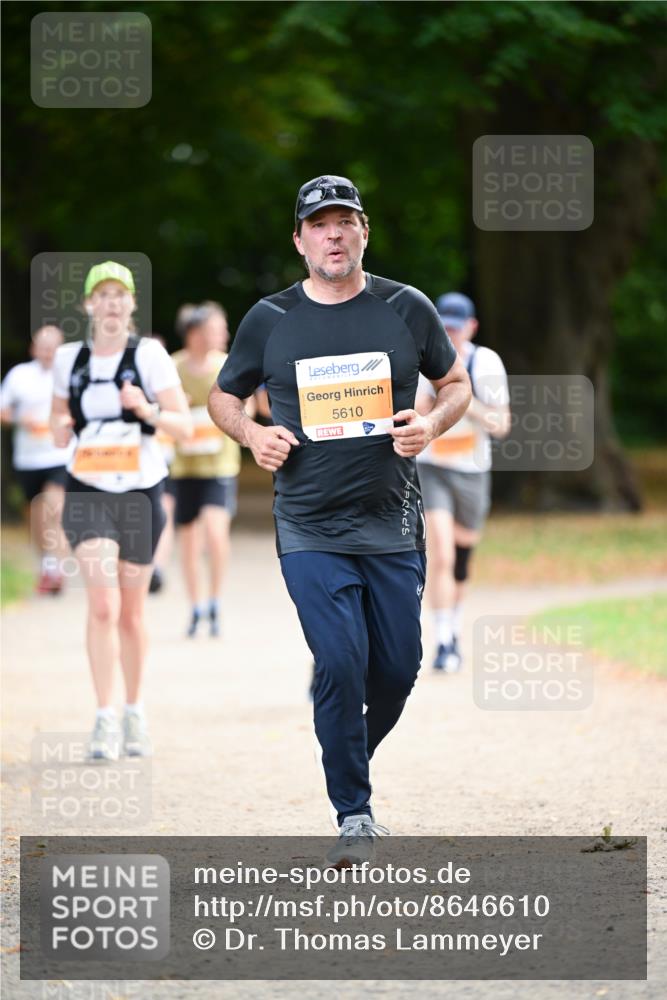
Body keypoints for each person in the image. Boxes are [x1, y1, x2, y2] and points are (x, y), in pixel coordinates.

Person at [208, 175, 470, 861]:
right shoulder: (270, 319)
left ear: (363, 231)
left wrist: (432, 424)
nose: (332, 234)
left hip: (390, 519)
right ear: (299, 240)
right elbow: (222, 396)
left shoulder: (405, 308)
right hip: (309, 522)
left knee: (397, 666)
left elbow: (455, 384)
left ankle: (342, 741)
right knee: (340, 659)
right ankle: (352, 808)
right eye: (318, 224)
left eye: (343, 221)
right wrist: (250, 436)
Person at [50, 261, 192, 760]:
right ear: (88, 304)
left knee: (131, 614)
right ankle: (104, 717)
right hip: (87, 489)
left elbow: (184, 427)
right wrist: (62, 428)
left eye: (120, 294)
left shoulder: (149, 355)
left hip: (140, 491)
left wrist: (146, 408)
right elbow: (55, 424)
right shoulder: (70, 359)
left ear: (131, 304)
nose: (111, 302)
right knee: (103, 605)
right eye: (102, 294)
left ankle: (134, 711)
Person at [416, 293, 510, 673]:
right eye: (444, 326)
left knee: (462, 561)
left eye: (456, 327)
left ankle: (453, 626)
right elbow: (419, 413)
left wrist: (461, 398)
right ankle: (440, 640)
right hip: (432, 467)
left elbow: (501, 425)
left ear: (470, 328)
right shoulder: (423, 361)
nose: (450, 333)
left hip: (471, 472)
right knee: (442, 553)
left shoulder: (486, 363)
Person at [169, 302, 244, 637]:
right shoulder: (173, 367)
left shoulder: (228, 366)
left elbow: (250, 409)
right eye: (217, 328)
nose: (224, 334)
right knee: (188, 541)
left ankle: (215, 599)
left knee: (215, 533)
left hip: (219, 466)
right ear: (195, 333)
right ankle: (195, 605)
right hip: (184, 467)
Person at [1, 325, 73, 594]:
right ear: (34, 349)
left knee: (55, 507)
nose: (47, 353)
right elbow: (3, 410)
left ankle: (57, 569)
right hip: (28, 459)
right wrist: (22, 419)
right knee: (37, 516)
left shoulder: (67, 375)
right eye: (43, 348)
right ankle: (47, 563)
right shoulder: (19, 376)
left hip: (59, 454)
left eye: (52, 348)